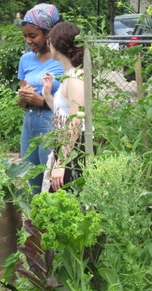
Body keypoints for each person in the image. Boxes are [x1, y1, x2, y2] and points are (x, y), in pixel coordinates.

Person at [17, 3, 64, 194]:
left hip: (51, 125)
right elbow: (20, 102)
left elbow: (73, 102)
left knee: (52, 183)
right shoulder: (25, 60)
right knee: (33, 181)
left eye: (33, 36)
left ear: (49, 33)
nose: (28, 40)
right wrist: (24, 97)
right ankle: (36, 223)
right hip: (29, 124)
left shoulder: (61, 59)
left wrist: (42, 101)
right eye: (26, 36)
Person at [42, 21, 85, 192]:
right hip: (68, 145)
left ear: (58, 43)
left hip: (75, 148)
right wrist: (48, 96)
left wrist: (61, 163)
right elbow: (64, 115)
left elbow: (76, 121)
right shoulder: (69, 75)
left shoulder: (75, 77)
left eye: (49, 41)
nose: (48, 45)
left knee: (66, 202)